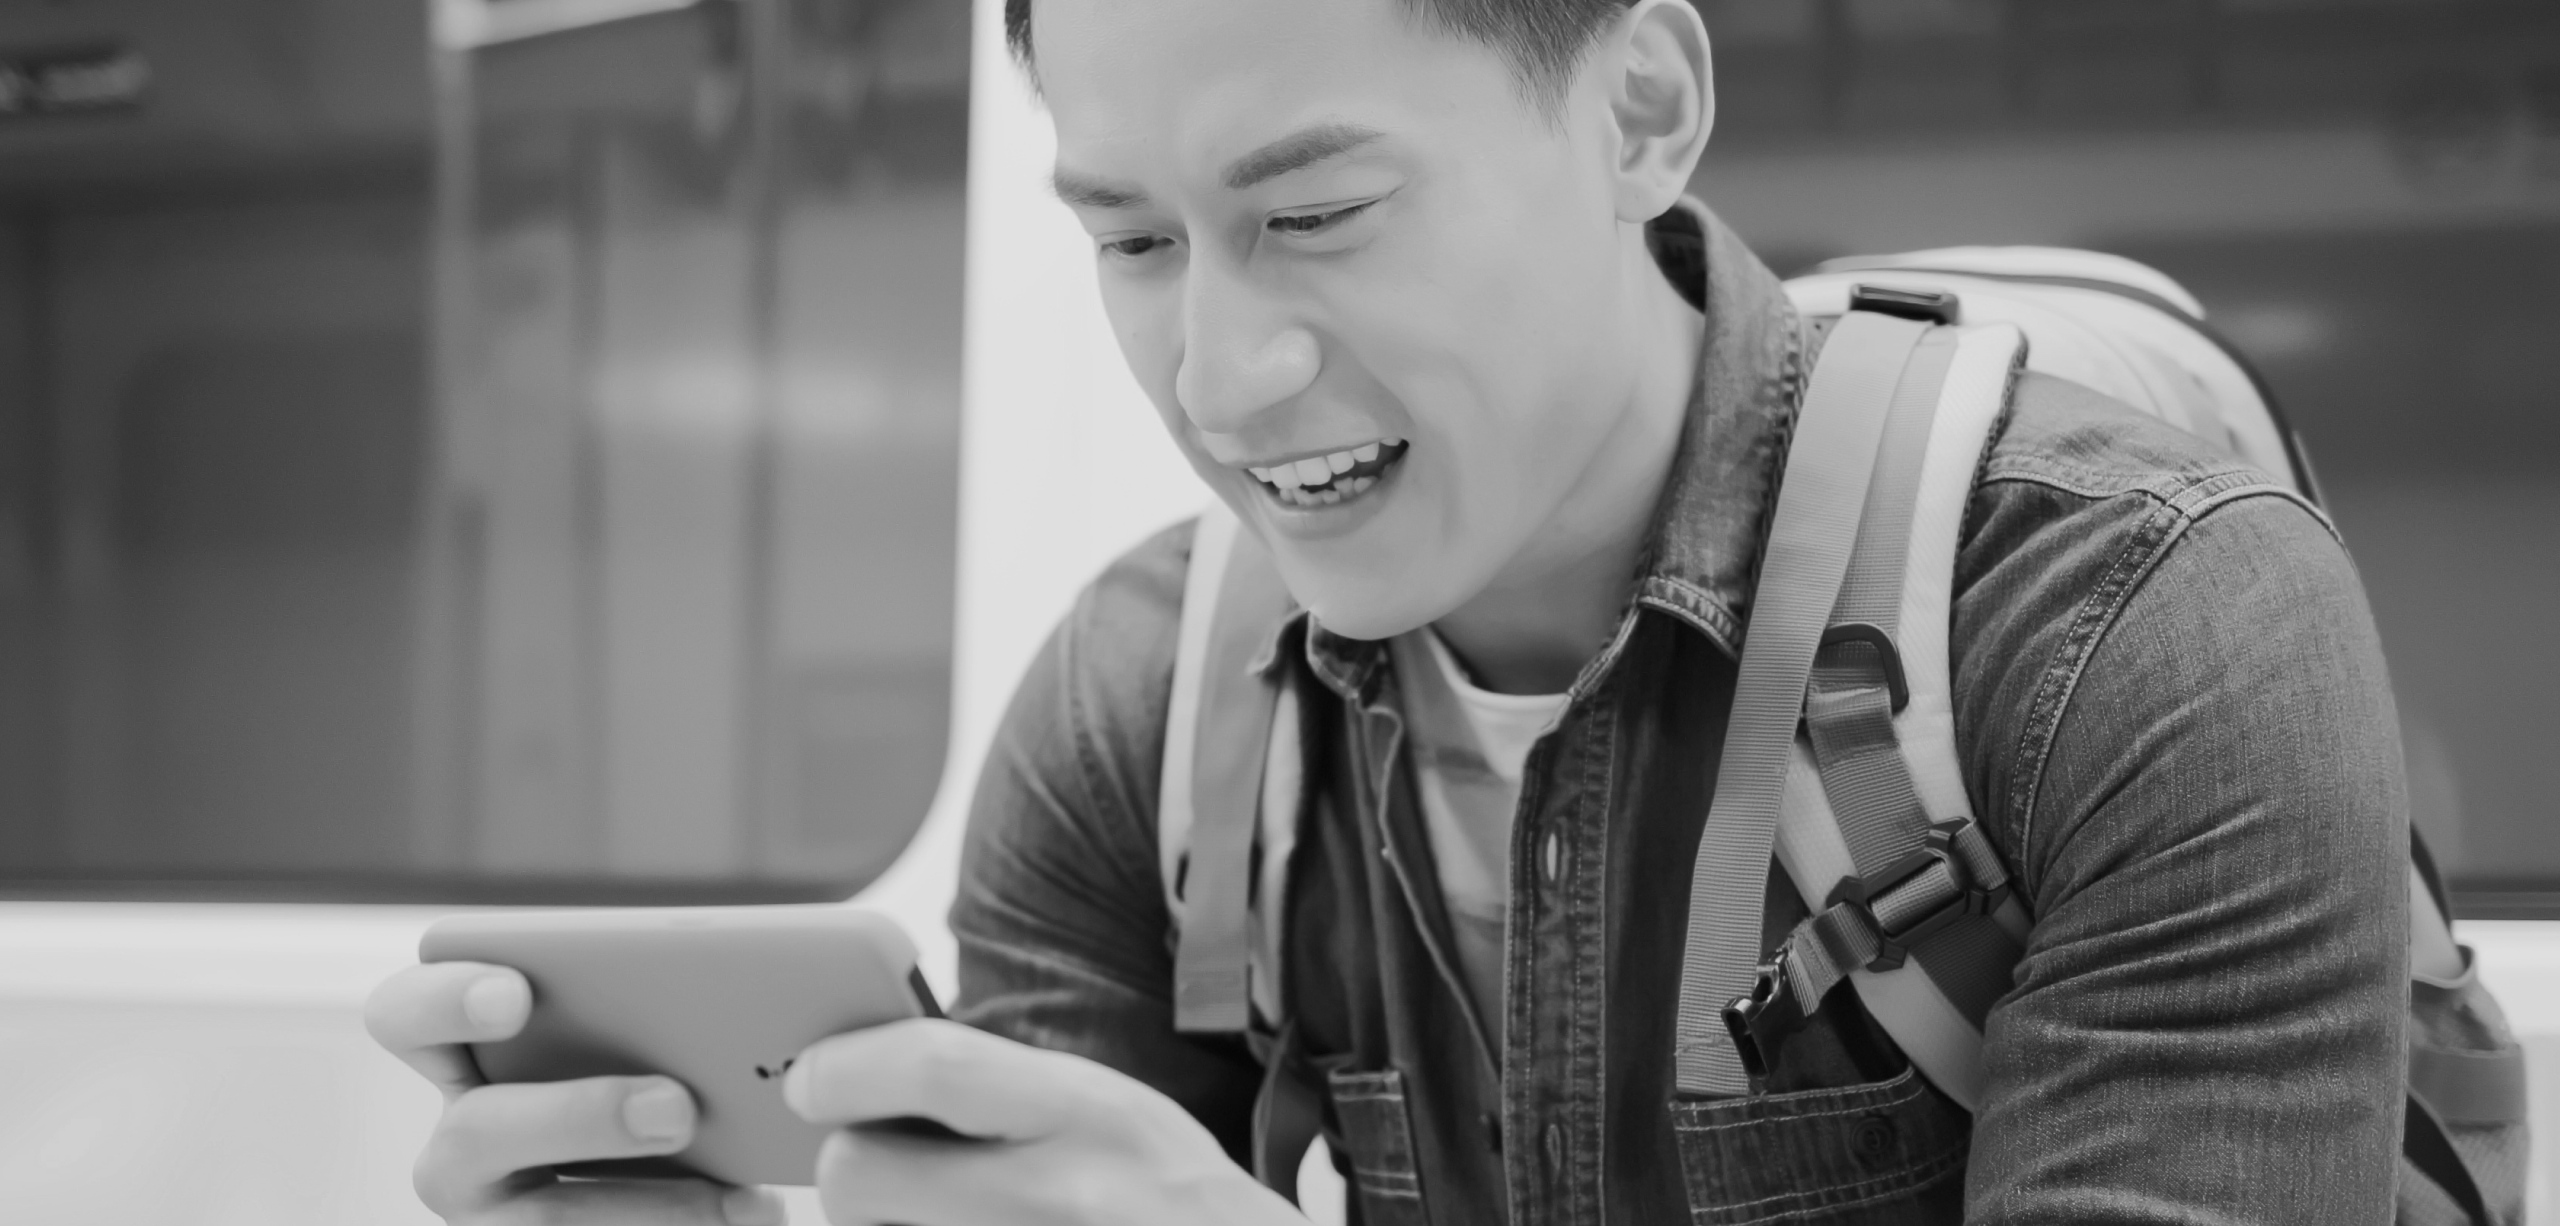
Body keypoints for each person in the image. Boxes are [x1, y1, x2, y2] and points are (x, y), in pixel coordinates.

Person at [365, 0, 2411, 1221]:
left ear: (1637, 110)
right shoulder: (1138, 717)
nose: (1220, 372)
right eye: (1135, 241)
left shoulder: (2143, 633)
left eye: (1318, 214)